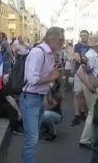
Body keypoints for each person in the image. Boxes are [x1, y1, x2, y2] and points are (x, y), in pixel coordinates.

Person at [19, 27, 64, 163]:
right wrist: (52, 78)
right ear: (51, 37)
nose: (63, 42)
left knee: (32, 138)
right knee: (32, 139)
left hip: (38, 99)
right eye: (61, 39)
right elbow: (32, 79)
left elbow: (44, 78)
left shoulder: (50, 54)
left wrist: (48, 94)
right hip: (30, 99)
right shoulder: (38, 53)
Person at [76, 35, 98, 148]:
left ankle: (88, 138)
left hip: (91, 86)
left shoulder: (93, 55)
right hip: (91, 87)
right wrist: (90, 86)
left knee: (92, 112)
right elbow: (80, 72)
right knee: (92, 113)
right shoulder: (92, 56)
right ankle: (85, 139)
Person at [70, 30, 90, 126]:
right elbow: (77, 57)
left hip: (88, 73)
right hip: (79, 72)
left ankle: (82, 112)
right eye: (81, 35)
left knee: (85, 94)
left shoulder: (91, 46)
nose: (83, 37)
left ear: (88, 36)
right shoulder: (77, 46)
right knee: (77, 93)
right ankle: (77, 115)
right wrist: (87, 60)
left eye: (85, 35)